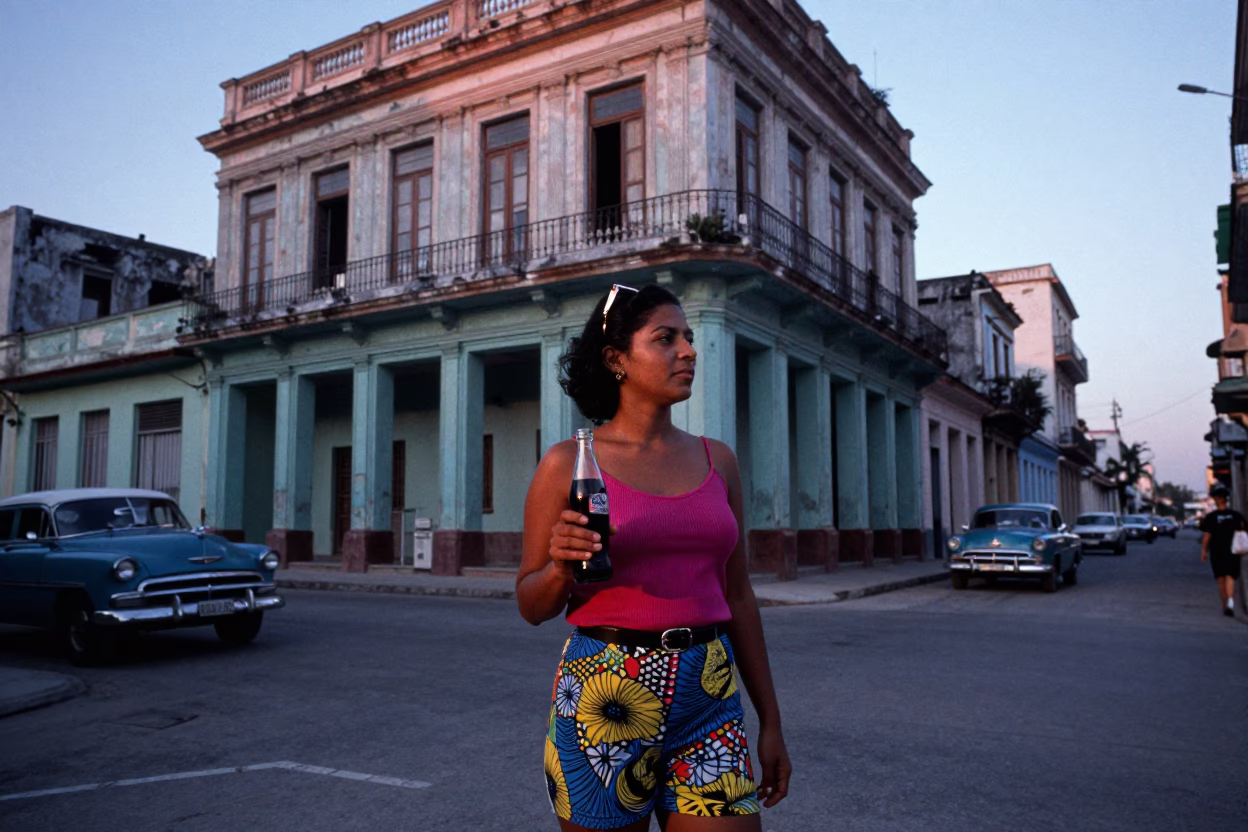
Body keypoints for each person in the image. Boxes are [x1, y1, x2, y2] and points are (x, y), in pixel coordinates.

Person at [517, 283, 792, 831]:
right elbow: (531, 602)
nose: (688, 351)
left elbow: (738, 595)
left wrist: (771, 721)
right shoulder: (569, 464)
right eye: (666, 338)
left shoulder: (719, 461)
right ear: (617, 359)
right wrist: (560, 567)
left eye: (688, 338)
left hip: (709, 694)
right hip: (604, 693)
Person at [1198, 483, 1245, 617]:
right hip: (1233, 551)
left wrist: (1203, 551)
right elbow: (1243, 531)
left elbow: (1207, 536)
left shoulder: (1211, 517)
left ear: (1216, 500)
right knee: (1230, 577)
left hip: (1217, 552)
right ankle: (1230, 601)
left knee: (1221, 579)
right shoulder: (1236, 515)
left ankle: (1225, 606)